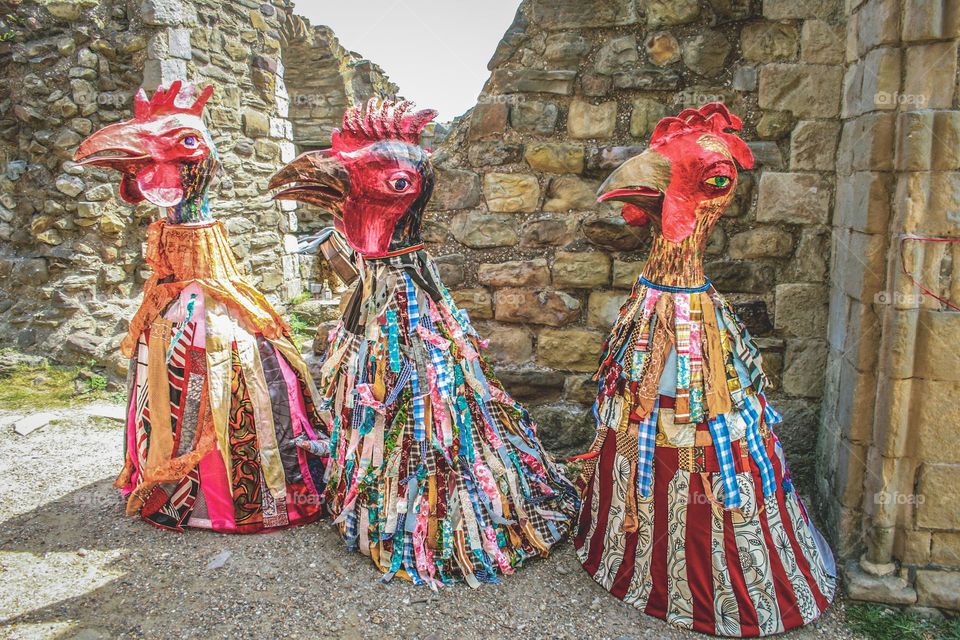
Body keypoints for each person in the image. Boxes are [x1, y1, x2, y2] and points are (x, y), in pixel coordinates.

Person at [269, 99, 578, 587]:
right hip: (378, 291)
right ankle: (380, 504)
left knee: (433, 401)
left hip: (404, 296)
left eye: (390, 180)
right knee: (374, 395)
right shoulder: (369, 295)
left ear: (409, 192)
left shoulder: (419, 305)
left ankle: (438, 524)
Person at [575, 103, 836, 636]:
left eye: (705, 176)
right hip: (660, 306)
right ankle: (634, 550)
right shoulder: (648, 298)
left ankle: (714, 577)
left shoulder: (697, 245)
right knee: (642, 411)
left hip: (688, 314)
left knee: (706, 414)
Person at [74, 82, 326, 533]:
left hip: (209, 280)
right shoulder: (165, 277)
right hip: (181, 288)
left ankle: (239, 495)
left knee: (236, 364)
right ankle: (175, 484)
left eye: (184, 141)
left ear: (199, 157)